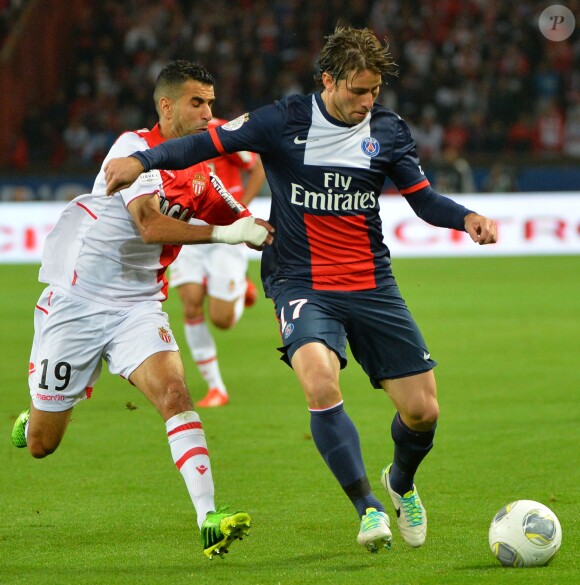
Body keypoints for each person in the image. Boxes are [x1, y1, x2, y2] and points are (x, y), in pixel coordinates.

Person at [104, 27, 498, 554]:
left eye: (373, 92)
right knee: (319, 381)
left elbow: (423, 200)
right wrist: (142, 160)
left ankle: (399, 484)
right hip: (300, 279)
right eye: (357, 91)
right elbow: (205, 143)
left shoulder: (389, 130)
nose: (367, 102)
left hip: (371, 282)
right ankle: (368, 509)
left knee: (423, 411)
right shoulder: (282, 119)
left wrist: (466, 216)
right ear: (328, 80)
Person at [10, 60, 274, 560]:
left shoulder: (201, 173)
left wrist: (265, 231)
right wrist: (225, 234)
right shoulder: (133, 150)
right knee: (44, 443)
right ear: (167, 106)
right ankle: (35, 407)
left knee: (176, 393)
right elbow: (149, 226)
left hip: (138, 306)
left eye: (212, 104)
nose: (208, 114)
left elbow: (243, 219)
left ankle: (208, 518)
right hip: (79, 301)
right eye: (198, 103)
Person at [170, 118, 266, 408]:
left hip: (226, 233)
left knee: (222, 320)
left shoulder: (224, 132)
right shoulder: (171, 134)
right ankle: (216, 388)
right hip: (188, 231)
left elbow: (257, 167)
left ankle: (242, 288)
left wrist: (240, 212)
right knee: (190, 305)